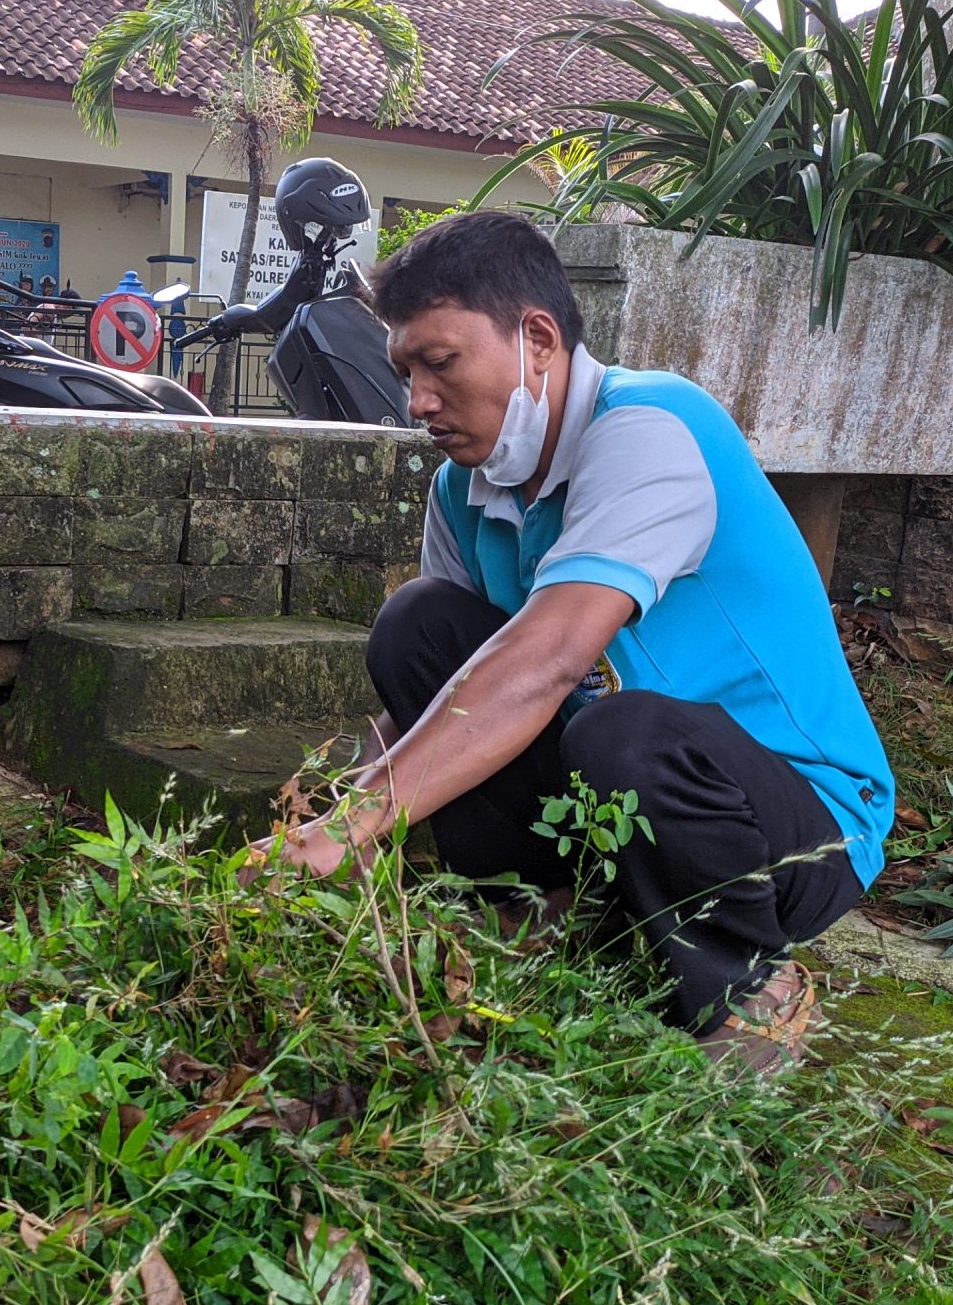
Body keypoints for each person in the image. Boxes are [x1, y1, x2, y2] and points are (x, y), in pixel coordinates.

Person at [248, 211, 895, 1070]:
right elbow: (455, 689)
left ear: (539, 339)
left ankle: (748, 988)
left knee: (620, 730)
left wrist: (357, 824)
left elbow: (545, 663)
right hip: (618, 797)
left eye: (440, 364)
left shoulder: (649, 430)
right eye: (405, 371)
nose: (417, 402)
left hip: (798, 827)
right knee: (420, 624)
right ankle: (538, 910)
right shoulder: (463, 489)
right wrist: (331, 810)